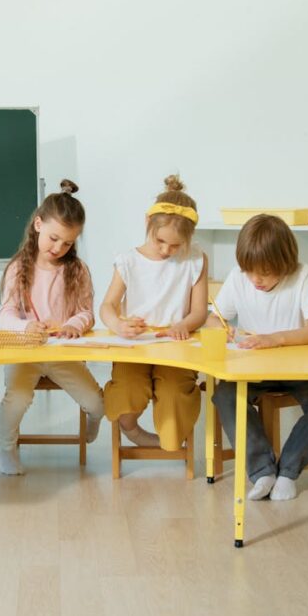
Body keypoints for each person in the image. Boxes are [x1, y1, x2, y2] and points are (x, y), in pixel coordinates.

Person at [211, 213, 308, 501]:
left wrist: (275, 339)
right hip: (253, 370)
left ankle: (287, 471)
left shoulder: (303, 275)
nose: (256, 280)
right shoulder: (238, 278)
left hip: (301, 370)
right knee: (225, 395)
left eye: (266, 272)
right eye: (250, 271)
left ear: (286, 263)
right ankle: (262, 471)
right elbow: (214, 319)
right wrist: (223, 331)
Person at [0, 179, 104, 475]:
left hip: (62, 353)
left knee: (97, 404)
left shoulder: (77, 270)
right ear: (38, 224)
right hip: (25, 352)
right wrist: (25, 326)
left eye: (68, 242)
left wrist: (72, 325)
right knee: (17, 398)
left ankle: (90, 428)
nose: (59, 248)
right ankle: (5, 448)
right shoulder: (20, 267)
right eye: (54, 238)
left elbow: (86, 312)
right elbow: (5, 313)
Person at [100, 175, 207, 450]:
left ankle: (172, 439)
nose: (166, 250)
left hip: (176, 346)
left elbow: (199, 312)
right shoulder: (128, 261)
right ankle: (132, 429)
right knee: (127, 391)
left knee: (173, 395)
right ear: (148, 224)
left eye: (175, 245)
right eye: (160, 241)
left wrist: (184, 323)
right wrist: (118, 325)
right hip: (136, 345)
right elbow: (107, 306)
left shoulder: (195, 259)